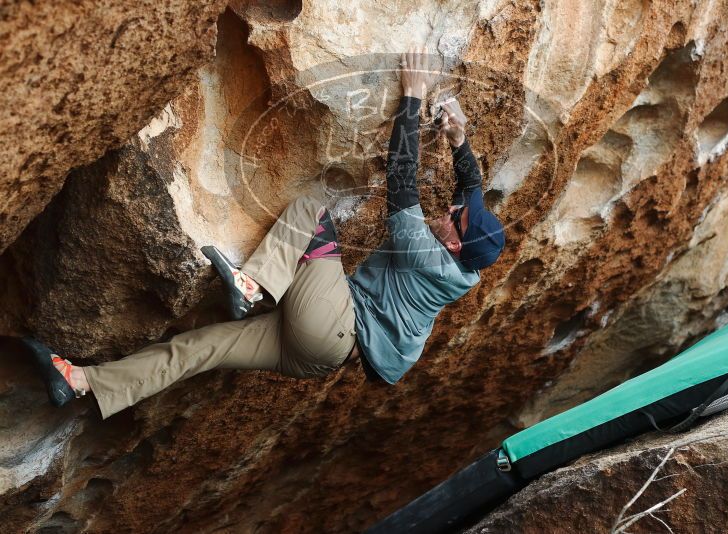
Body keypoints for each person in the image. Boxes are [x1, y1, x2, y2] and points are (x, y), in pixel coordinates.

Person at [22, 46, 506, 418]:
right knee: (200, 349)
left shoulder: (426, 253)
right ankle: (82, 381)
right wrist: (461, 142)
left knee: (314, 211)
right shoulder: (465, 265)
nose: (449, 208)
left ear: (453, 243)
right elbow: (473, 190)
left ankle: (252, 284)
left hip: (334, 324)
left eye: (454, 218)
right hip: (317, 355)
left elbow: (401, 180)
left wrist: (413, 94)